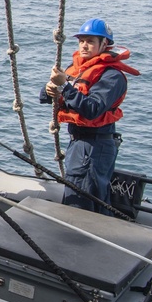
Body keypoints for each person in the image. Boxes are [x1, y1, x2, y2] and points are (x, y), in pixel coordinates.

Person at [41, 18, 138, 214]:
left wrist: (64, 87)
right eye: (82, 40)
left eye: (90, 41)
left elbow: (93, 109)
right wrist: (49, 89)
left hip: (93, 146)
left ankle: (81, 241)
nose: (84, 45)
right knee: (82, 192)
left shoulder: (112, 76)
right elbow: (45, 98)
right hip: (79, 143)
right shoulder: (77, 68)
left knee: (82, 201)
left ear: (104, 44)